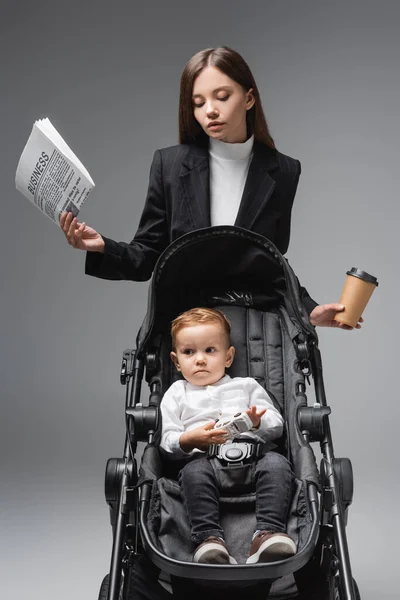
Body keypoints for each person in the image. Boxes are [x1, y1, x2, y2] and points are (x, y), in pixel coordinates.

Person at [59, 45, 362, 329]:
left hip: (255, 328)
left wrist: (308, 310)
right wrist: (101, 247)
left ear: (249, 98)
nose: (210, 111)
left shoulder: (284, 170)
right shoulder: (170, 164)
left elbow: (271, 262)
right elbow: (150, 254)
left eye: (222, 96)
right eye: (198, 103)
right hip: (188, 330)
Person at [160, 307, 296, 565]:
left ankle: (266, 534)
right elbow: (167, 439)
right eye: (189, 352)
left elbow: (277, 425)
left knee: (278, 464)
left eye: (210, 350)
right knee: (193, 474)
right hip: (204, 462)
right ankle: (209, 539)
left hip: (253, 458)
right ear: (176, 361)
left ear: (228, 356)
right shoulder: (177, 393)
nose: (200, 359)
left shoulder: (246, 386)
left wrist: (256, 423)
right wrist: (188, 440)